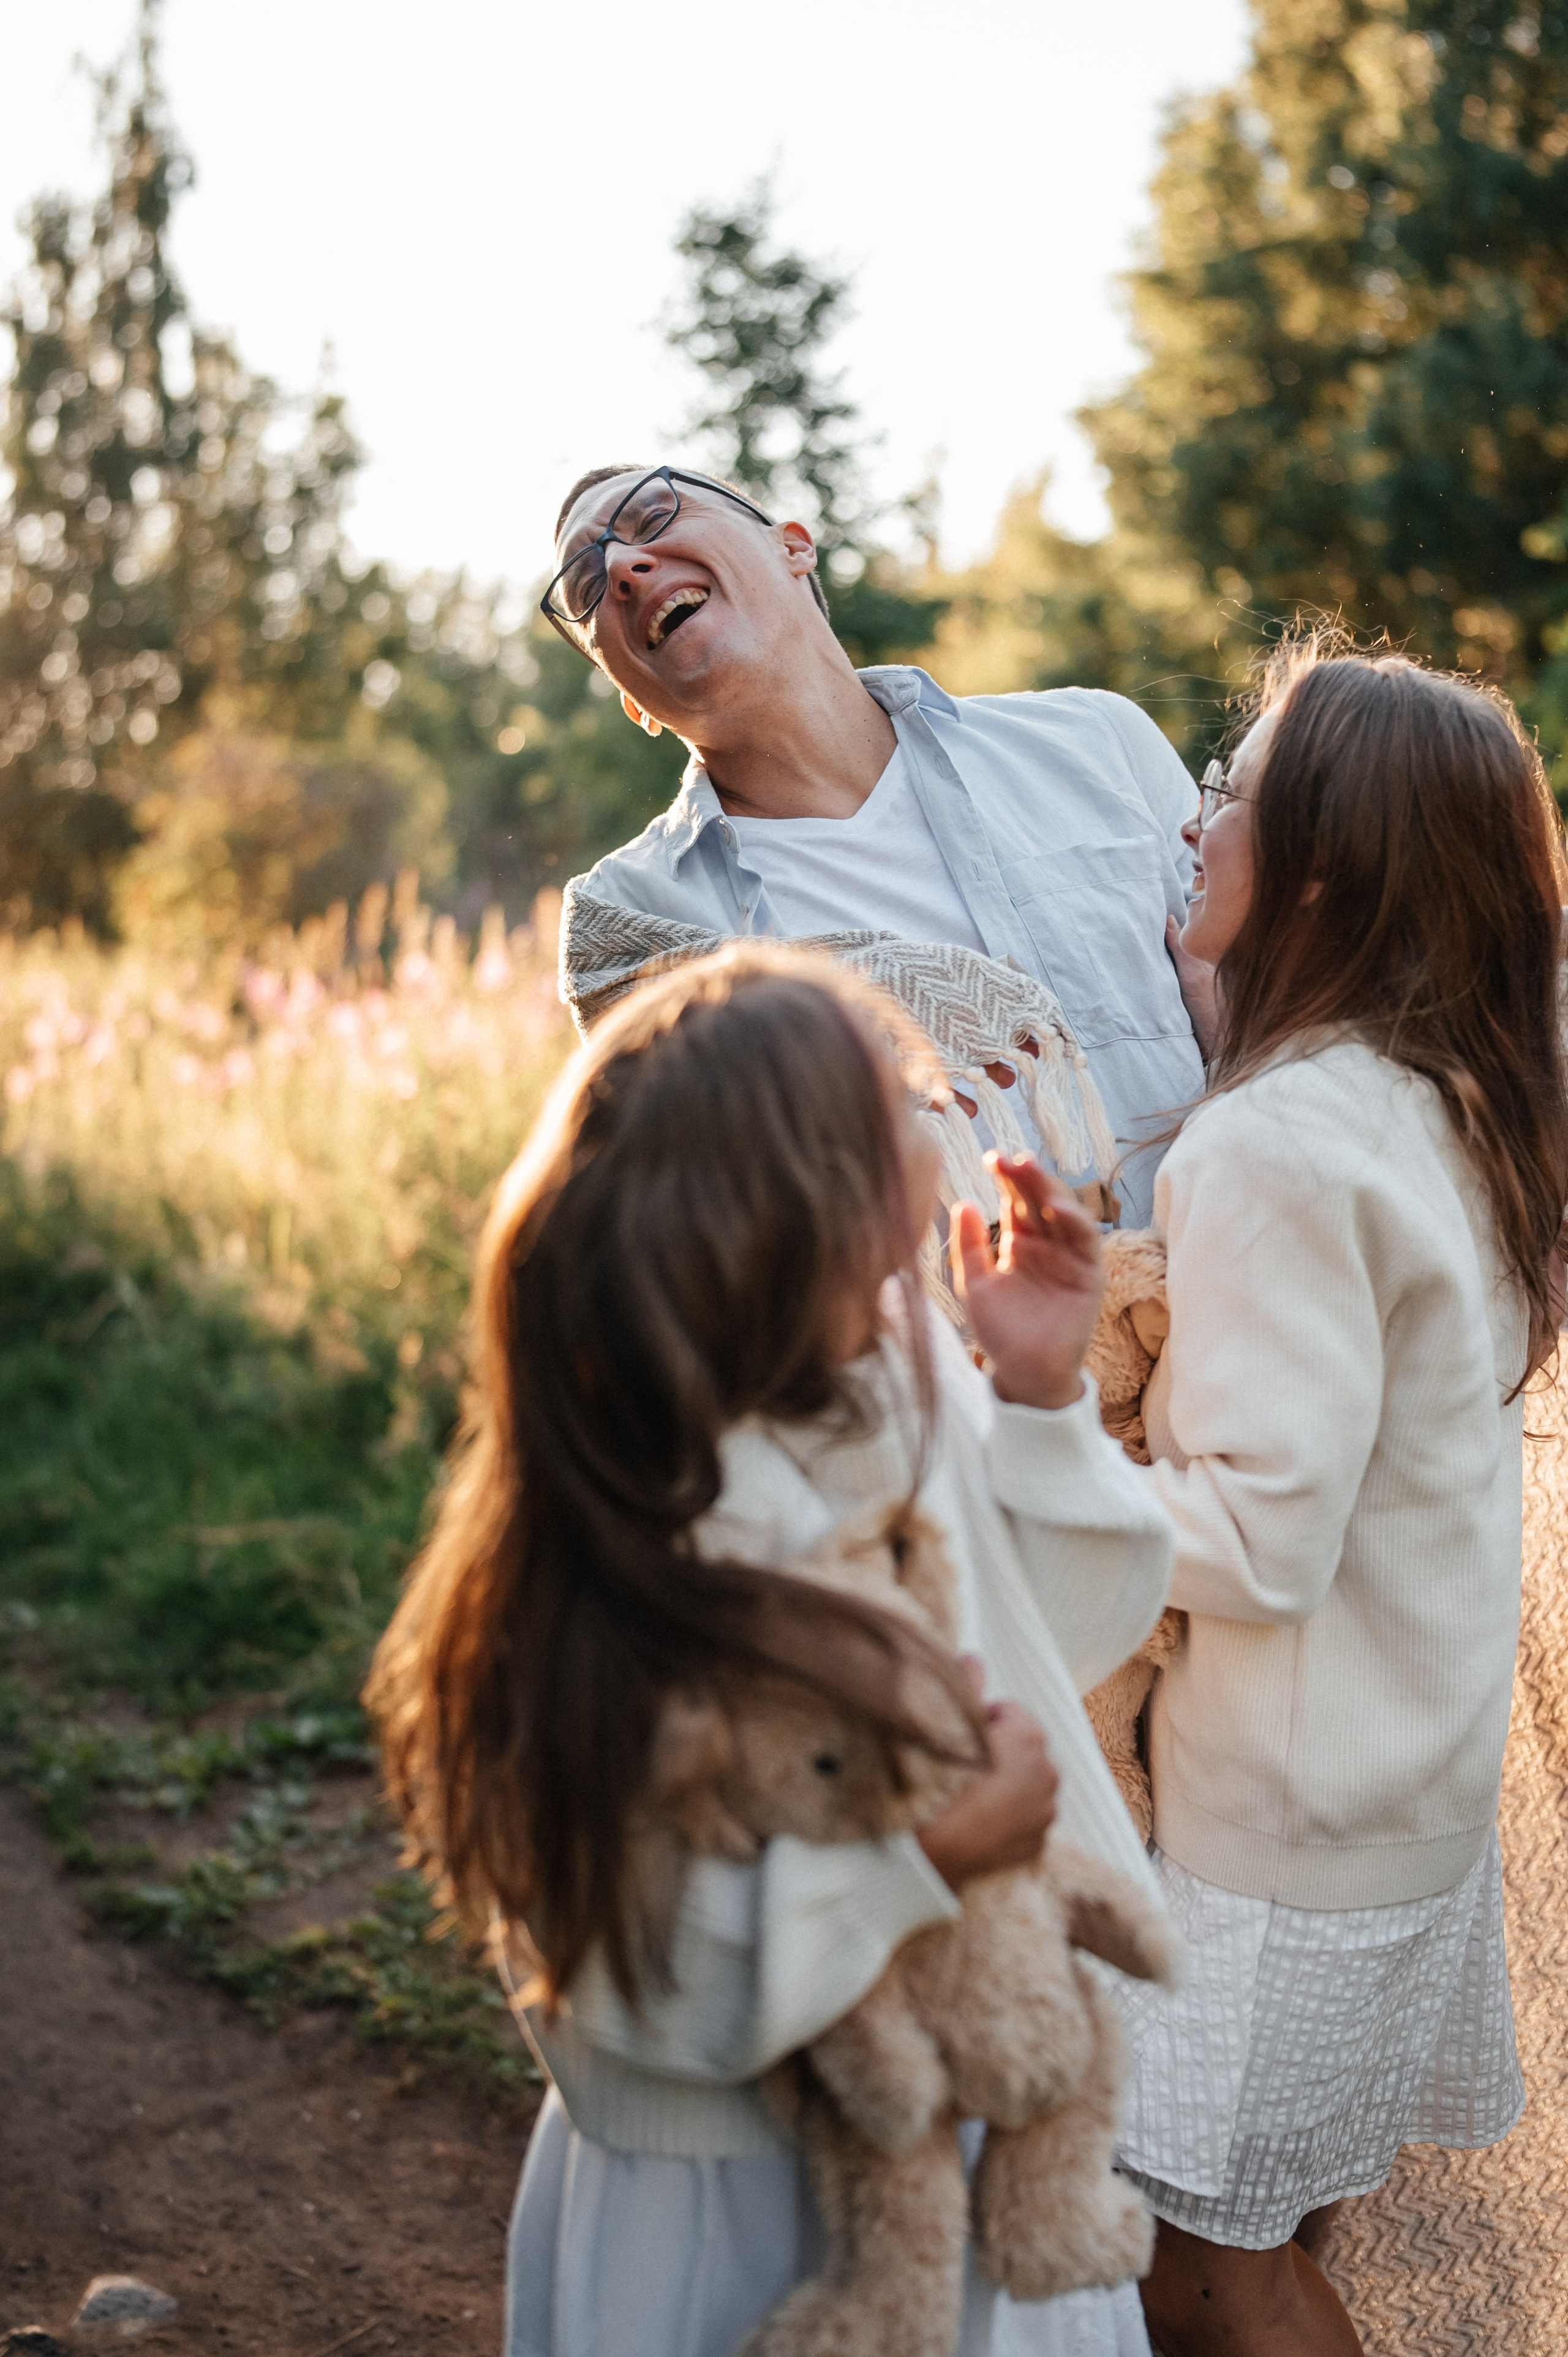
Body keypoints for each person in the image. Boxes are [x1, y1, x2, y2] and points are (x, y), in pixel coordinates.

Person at [367, 943, 1177, 2357]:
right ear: (793, 1201)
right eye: (905, 1111)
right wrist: (916, 1865)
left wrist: (1039, 1391)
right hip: (733, 2199)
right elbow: (634, 1962)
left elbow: (1036, 1633)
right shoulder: (631, 1536)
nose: (947, 1133)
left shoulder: (890, 1365)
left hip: (956, 2118)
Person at [1110, 643, 1568, 2357]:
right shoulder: (1457, 1104)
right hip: (1396, 1804)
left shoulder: (1279, 1148)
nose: (1194, 816)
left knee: (1202, 2282)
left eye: (1227, 788)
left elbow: (1254, 1539)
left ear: (1309, 862)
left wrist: (1006, 1467)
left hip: (1278, 1856)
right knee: (1274, 2247)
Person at [545, 464, 1204, 1227]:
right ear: (633, 701)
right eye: (586, 589)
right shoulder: (635, 926)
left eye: (655, 515)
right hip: (958, 1348)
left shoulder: (1096, 741)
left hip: (1235, 1303)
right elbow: (717, 1223)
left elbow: (1277, 1009)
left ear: (792, 547)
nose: (622, 568)